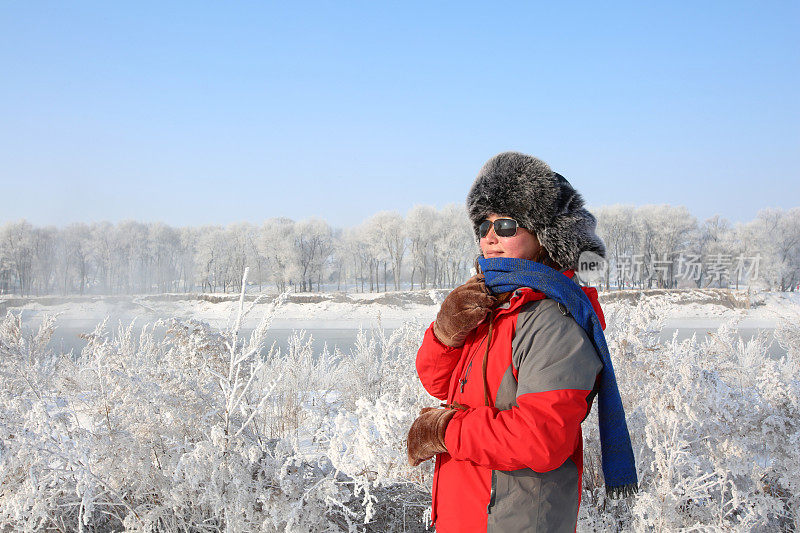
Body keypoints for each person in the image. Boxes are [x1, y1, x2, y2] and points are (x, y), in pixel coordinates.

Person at [407, 152, 637, 532]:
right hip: (466, 514)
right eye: (483, 225)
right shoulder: (496, 306)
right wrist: (445, 333)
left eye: (507, 224)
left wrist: (444, 431)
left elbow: (540, 438)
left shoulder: (552, 322)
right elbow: (437, 383)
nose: (490, 236)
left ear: (545, 236)